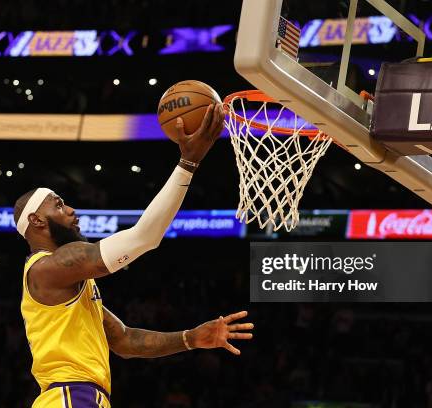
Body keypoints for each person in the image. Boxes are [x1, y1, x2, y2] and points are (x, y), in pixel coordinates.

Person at [13, 104, 254, 408]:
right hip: (69, 397)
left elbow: (125, 340)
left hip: (83, 397)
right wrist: (188, 163)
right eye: (59, 205)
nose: (71, 210)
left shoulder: (67, 282)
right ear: (36, 221)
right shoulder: (49, 268)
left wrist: (190, 338)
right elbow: (144, 237)